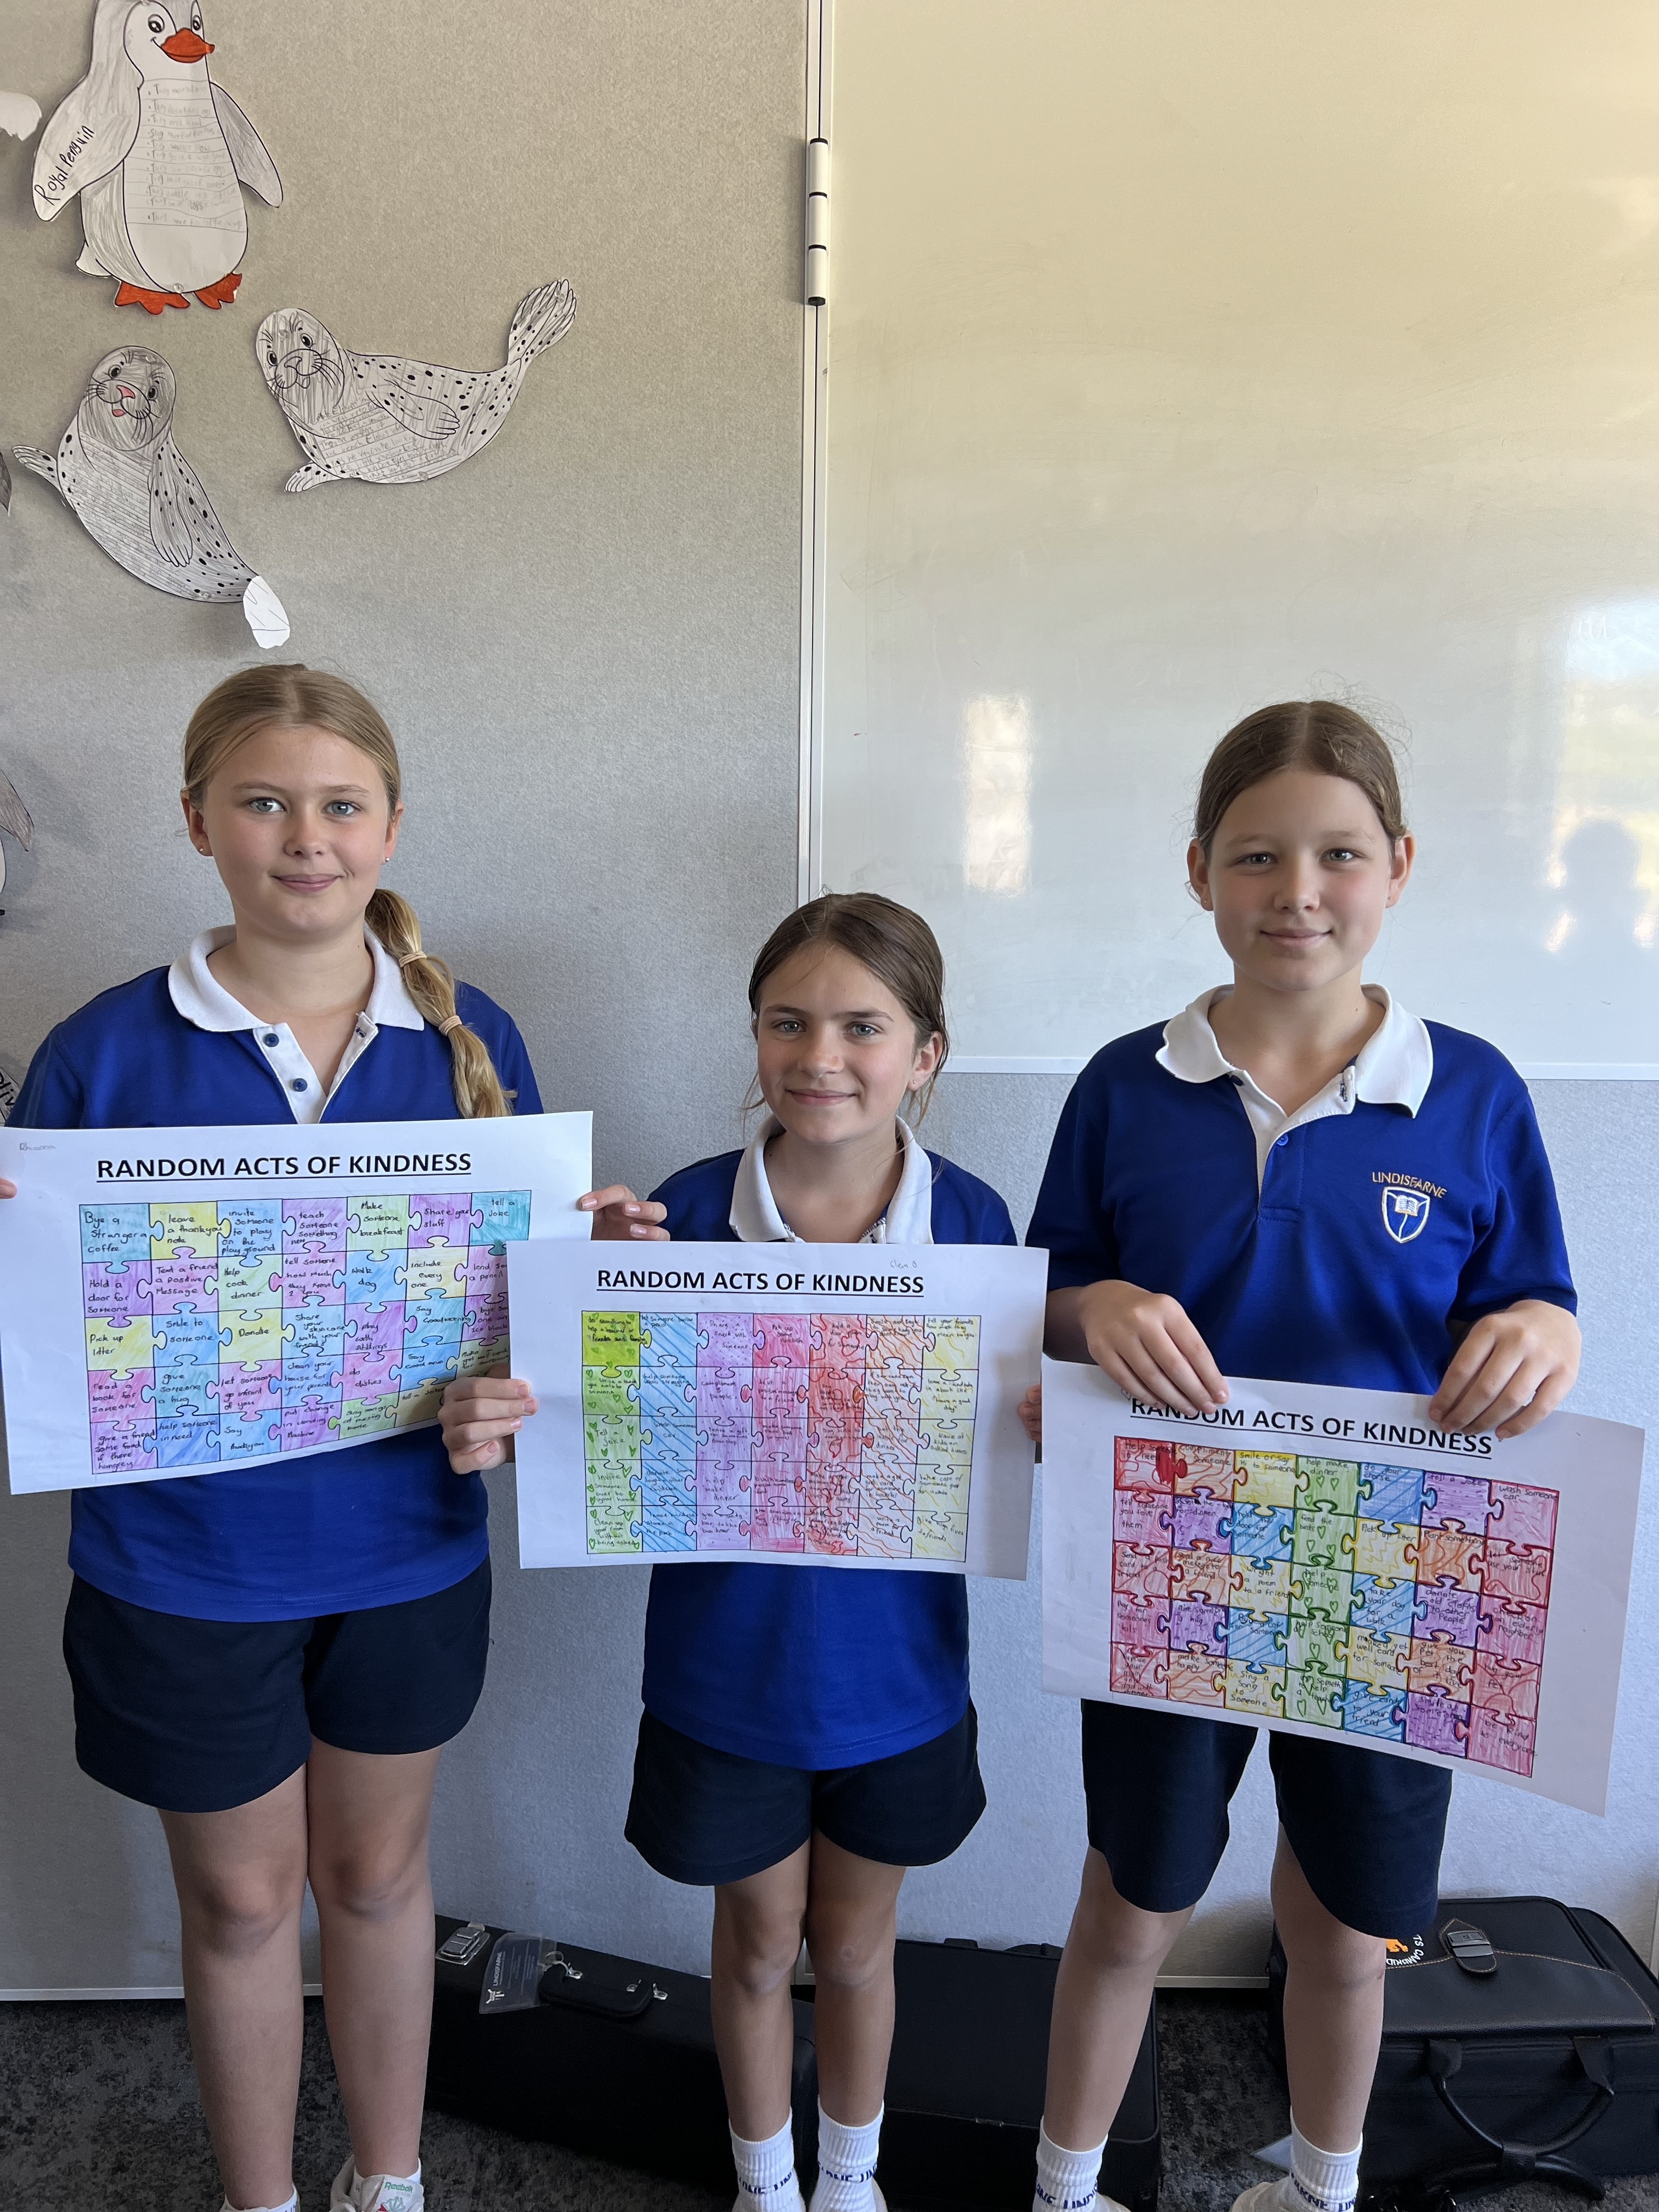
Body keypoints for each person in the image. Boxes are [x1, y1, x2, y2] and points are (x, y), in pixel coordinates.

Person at [1022, 702, 1581, 2212]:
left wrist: (1544, 1331)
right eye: (1257, 856)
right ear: (1199, 870)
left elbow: (1537, 1303)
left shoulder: (1472, 1090)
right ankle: (1065, 2188)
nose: (1298, 892)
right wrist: (1091, 1307)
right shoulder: (1126, 1084)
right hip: (1171, 1561)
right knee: (1132, 1901)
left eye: (1339, 855)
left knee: (1342, 1926)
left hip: (1391, 1573)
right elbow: (1045, 1301)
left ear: (1398, 866)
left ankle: (1321, 2192)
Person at [3, 664, 548, 2212]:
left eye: (339, 805)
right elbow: (44, 1320)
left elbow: (510, 1314)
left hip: (404, 1552)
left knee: (376, 1881)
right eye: (263, 802)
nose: (305, 837)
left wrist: (567, 1313)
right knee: (241, 1908)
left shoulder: (473, 1038)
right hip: (182, 1567)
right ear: (198, 822)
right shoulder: (101, 1051)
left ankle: (390, 2181)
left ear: (390, 826)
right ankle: (260, 2200)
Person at [441, 892, 1022, 2212]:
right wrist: (551, 1336)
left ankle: (851, 2181)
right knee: (757, 1946)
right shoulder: (677, 1217)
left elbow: (999, 1436)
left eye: (863, 1027)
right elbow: (585, 1425)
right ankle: (766, 2182)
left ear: (925, 1054)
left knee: (857, 1949)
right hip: (727, 1676)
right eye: (787, 1022)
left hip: (900, 1679)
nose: (821, 1056)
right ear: (754, 1035)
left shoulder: (978, 1224)